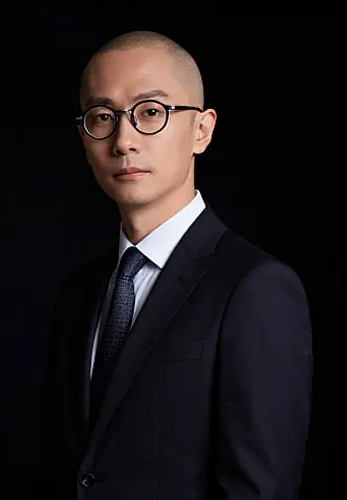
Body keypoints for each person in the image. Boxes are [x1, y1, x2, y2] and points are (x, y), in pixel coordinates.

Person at [36, 30, 313, 500]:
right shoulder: (78, 293)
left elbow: (259, 488)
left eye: (150, 112)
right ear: (84, 136)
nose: (124, 141)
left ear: (201, 130)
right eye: (103, 117)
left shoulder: (255, 287)